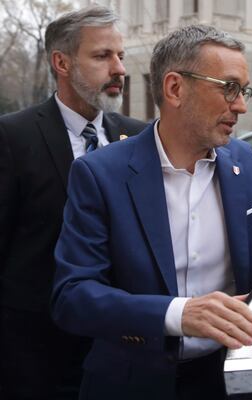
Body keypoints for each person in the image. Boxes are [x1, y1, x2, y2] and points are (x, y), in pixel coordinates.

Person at [51, 24, 252, 400]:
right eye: (228, 88)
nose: (241, 105)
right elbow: (73, 297)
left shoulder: (246, 162)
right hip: (132, 382)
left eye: (243, 91)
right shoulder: (100, 174)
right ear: (175, 88)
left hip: (230, 378)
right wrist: (178, 314)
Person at [0, 5, 147, 399]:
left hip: (122, 351)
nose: (119, 69)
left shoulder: (138, 137)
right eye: (103, 56)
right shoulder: (13, 137)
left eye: (121, 56)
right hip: (34, 358)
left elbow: (198, 165)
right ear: (61, 62)